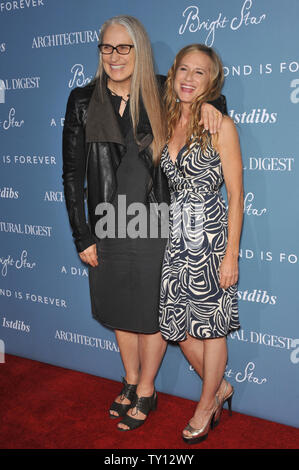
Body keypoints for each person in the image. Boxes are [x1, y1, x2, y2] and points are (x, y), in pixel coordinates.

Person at [62, 16, 225, 432]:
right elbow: (72, 173)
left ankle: (148, 388)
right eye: (107, 48)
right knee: (120, 310)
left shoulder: (161, 88)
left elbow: (206, 97)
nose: (115, 57)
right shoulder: (82, 100)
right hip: (107, 220)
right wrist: (83, 233)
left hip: (156, 218)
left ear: (139, 49)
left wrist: (213, 104)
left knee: (150, 310)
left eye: (124, 47)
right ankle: (131, 380)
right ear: (99, 51)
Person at [159, 44, 244, 444]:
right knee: (176, 329)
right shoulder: (169, 117)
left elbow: (236, 197)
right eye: (184, 70)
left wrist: (230, 255)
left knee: (212, 331)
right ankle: (221, 388)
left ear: (212, 81)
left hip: (210, 240)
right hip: (177, 238)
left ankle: (206, 404)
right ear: (173, 73)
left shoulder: (220, 126)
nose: (189, 79)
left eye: (201, 73)